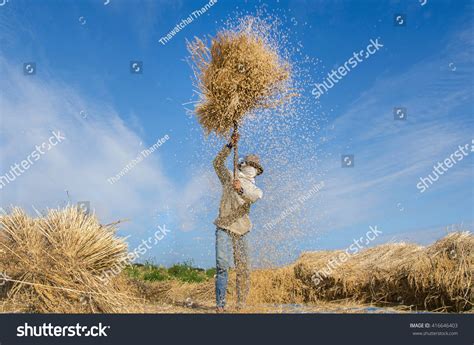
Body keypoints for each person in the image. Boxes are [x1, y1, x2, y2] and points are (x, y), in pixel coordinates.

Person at [213, 131, 263, 312]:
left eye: (255, 166)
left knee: (243, 269)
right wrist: (229, 145)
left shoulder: (256, 189)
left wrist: (240, 190)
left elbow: (252, 197)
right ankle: (220, 305)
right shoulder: (229, 176)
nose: (253, 168)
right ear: (244, 165)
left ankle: (241, 304)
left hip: (242, 230)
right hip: (224, 227)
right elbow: (217, 163)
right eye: (251, 164)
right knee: (222, 266)